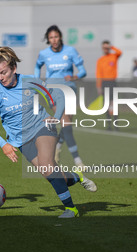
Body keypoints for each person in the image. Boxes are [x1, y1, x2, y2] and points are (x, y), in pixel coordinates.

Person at [0, 46, 97, 218]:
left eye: (4, 72)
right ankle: (77, 176)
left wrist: (56, 116)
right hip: (20, 140)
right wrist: (3, 144)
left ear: (14, 68)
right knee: (51, 175)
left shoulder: (30, 81)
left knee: (47, 164)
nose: (1, 77)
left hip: (42, 126)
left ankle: (71, 209)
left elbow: (58, 95)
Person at [34, 25, 87, 167]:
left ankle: (56, 148)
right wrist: (37, 81)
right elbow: (37, 66)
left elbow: (82, 70)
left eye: (56, 36)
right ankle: (77, 160)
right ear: (48, 39)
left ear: (60, 37)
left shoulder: (70, 51)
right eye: (51, 37)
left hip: (70, 90)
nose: (54, 40)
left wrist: (75, 76)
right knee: (66, 124)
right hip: (54, 91)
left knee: (67, 124)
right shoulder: (44, 53)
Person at [96, 40, 122, 130]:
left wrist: (111, 47)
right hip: (104, 83)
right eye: (104, 47)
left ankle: (116, 124)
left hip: (112, 82)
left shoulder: (113, 56)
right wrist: (99, 86)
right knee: (106, 104)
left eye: (107, 47)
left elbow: (120, 52)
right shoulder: (100, 60)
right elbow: (98, 74)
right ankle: (109, 124)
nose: (105, 49)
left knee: (114, 103)